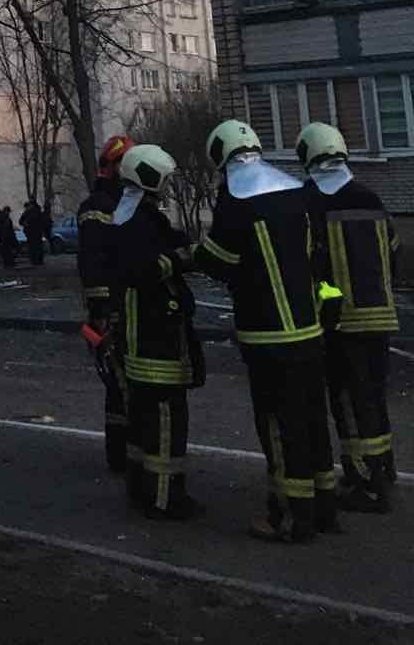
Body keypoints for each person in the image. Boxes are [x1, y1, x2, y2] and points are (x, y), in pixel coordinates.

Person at [195, 120, 338, 543]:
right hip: (308, 329)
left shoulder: (236, 197)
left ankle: (290, 518)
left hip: (267, 334)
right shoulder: (295, 190)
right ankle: (324, 507)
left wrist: (195, 255)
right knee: (312, 419)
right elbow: (314, 255)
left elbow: (219, 259)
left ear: (221, 156)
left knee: (278, 424)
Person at [297, 121, 399, 512]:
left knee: (348, 401)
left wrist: (324, 305)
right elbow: (392, 252)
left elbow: (313, 266)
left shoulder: (312, 203)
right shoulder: (370, 198)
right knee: (374, 396)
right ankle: (383, 471)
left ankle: (366, 483)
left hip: (341, 321)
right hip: (380, 315)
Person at [113, 144, 203, 521]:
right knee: (166, 416)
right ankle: (165, 497)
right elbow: (148, 269)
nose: (165, 187)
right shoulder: (139, 222)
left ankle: (141, 486)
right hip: (155, 335)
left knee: (143, 417)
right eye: (162, 180)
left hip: (139, 333)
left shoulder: (132, 215)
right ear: (147, 177)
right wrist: (187, 257)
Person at [78, 133, 135, 472]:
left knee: (127, 384)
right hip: (111, 312)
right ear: (112, 167)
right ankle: (120, 453)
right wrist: (101, 312)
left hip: (130, 306)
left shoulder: (125, 203)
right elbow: (92, 263)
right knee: (118, 386)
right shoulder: (98, 208)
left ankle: (130, 449)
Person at [20, 198, 45, 266]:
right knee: (37, 246)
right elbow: (21, 221)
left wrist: (25, 224)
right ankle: (38, 261)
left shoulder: (29, 212)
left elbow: (21, 221)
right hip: (35, 232)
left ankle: (35, 261)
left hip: (32, 232)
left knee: (33, 247)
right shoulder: (37, 211)